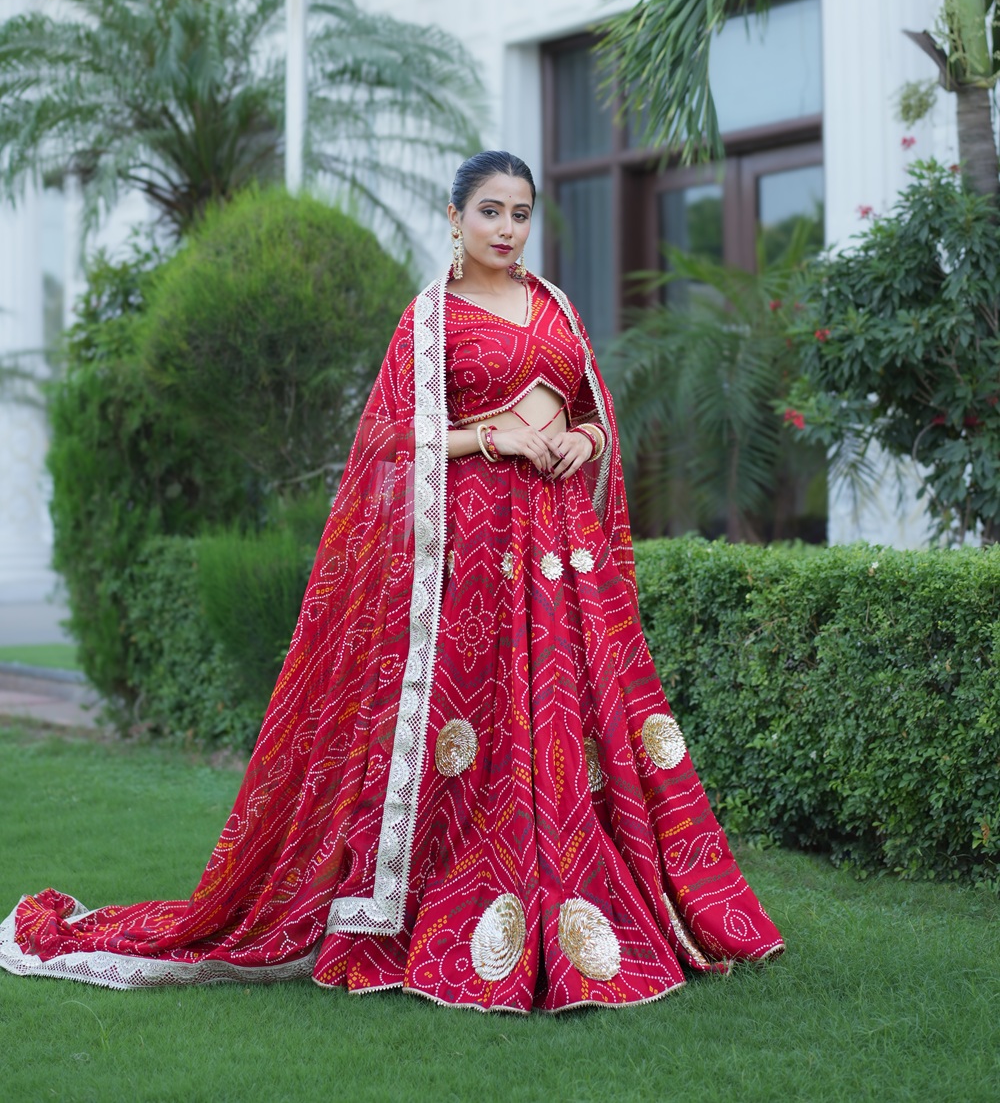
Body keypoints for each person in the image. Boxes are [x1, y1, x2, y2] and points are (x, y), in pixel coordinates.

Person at [0, 150, 782, 1010]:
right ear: (455, 219)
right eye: (490, 212)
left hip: (564, 549)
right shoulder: (429, 320)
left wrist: (580, 444)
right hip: (472, 549)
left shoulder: (557, 305)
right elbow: (389, 446)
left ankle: (610, 892)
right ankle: (440, 897)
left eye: (521, 213)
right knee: (473, 717)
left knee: (579, 709)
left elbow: (597, 416)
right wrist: (495, 438)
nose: (508, 229)